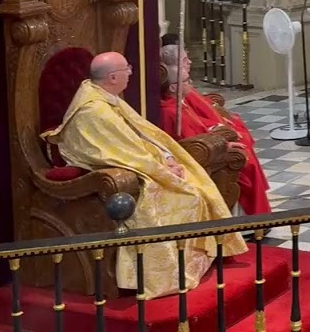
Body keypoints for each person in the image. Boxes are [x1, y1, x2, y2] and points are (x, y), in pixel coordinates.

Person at [42, 52, 246, 298]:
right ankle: (168, 273)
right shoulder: (94, 111)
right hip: (116, 171)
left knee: (195, 181)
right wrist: (161, 168)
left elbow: (137, 137)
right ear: (112, 77)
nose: (131, 72)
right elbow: (118, 151)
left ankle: (197, 257)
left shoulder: (105, 97)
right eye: (126, 68)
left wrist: (167, 157)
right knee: (186, 194)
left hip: (137, 161)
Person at [159, 37, 272, 215]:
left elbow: (198, 125)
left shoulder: (178, 103)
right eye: (187, 81)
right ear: (173, 87)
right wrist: (223, 143)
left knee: (242, 146)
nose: (191, 83)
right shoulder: (171, 112)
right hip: (204, 155)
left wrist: (218, 128)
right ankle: (252, 217)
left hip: (210, 145)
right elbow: (187, 142)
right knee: (243, 160)